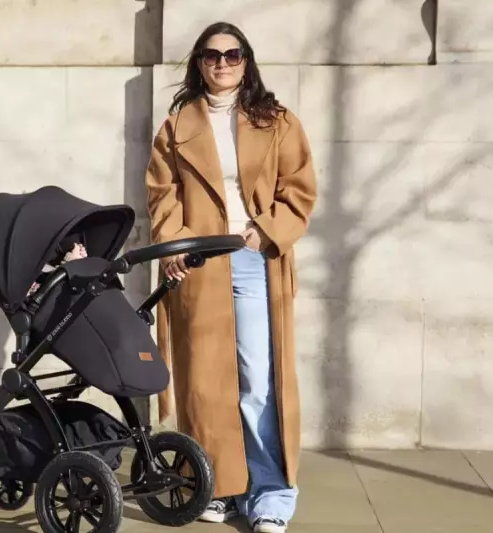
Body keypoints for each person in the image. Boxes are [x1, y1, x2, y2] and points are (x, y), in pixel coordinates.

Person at [144, 21, 317, 533]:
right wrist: (176, 243)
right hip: (199, 262)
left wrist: (265, 232)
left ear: (247, 62)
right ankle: (217, 485)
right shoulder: (176, 126)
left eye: (233, 54)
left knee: (258, 382)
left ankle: (271, 495)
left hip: (253, 258)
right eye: (212, 55)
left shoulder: (277, 122)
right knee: (206, 385)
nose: (222, 63)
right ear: (199, 64)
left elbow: (299, 189)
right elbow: (162, 195)